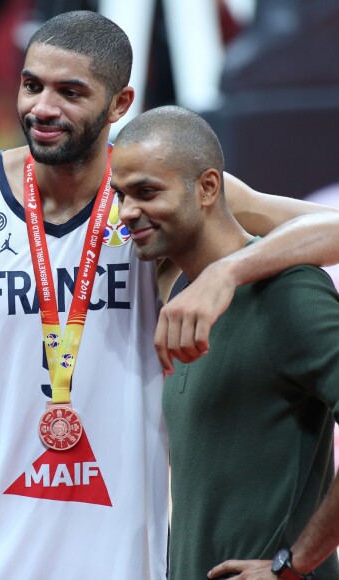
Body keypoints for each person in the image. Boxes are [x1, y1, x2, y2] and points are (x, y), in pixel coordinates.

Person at [0, 11, 339, 580]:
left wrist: (226, 274)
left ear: (120, 102)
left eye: (70, 92)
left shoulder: (155, 200)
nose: (43, 108)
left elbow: (329, 227)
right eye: (32, 85)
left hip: (122, 553)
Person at [111, 105, 339, 580]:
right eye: (121, 196)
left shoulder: (289, 291)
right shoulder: (175, 294)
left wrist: (291, 567)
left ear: (209, 187)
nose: (128, 212)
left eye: (147, 193)